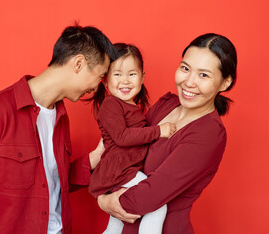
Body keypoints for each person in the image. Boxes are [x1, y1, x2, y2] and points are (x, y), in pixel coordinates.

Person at [0, 24, 117, 234]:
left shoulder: (61, 117)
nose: (97, 88)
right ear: (78, 63)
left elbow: (51, 183)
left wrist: (95, 157)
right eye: (100, 76)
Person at [97, 33, 237, 234]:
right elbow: (124, 150)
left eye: (203, 75)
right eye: (185, 68)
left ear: (225, 83)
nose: (189, 82)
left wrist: (103, 198)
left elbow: (149, 196)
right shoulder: (167, 104)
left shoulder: (208, 135)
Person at [87, 43, 176, 234]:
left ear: (142, 77)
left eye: (132, 74)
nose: (125, 81)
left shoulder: (132, 107)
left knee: (116, 226)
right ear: (105, 80)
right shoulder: (111, 104)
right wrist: (158, 131)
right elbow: (122, 137)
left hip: (126, 169)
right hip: (119, 171)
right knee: (157, 204)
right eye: (117, 74)